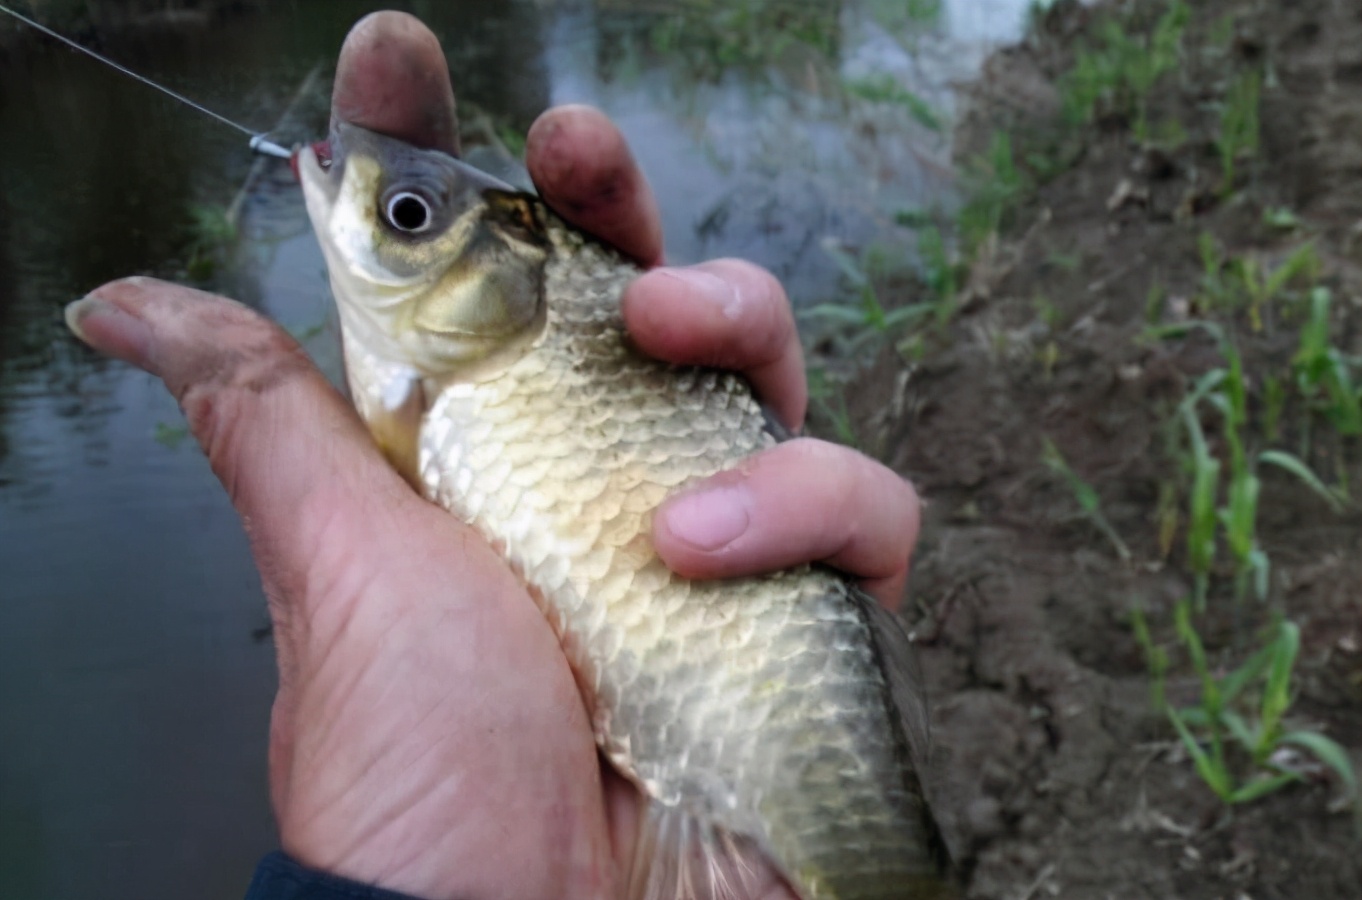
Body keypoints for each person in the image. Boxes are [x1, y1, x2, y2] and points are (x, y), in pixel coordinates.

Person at [65, 12, 923, 900]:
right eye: (410, 213)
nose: (377, 208)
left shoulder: (426, 385)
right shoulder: (419, 387)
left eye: (405, 216)